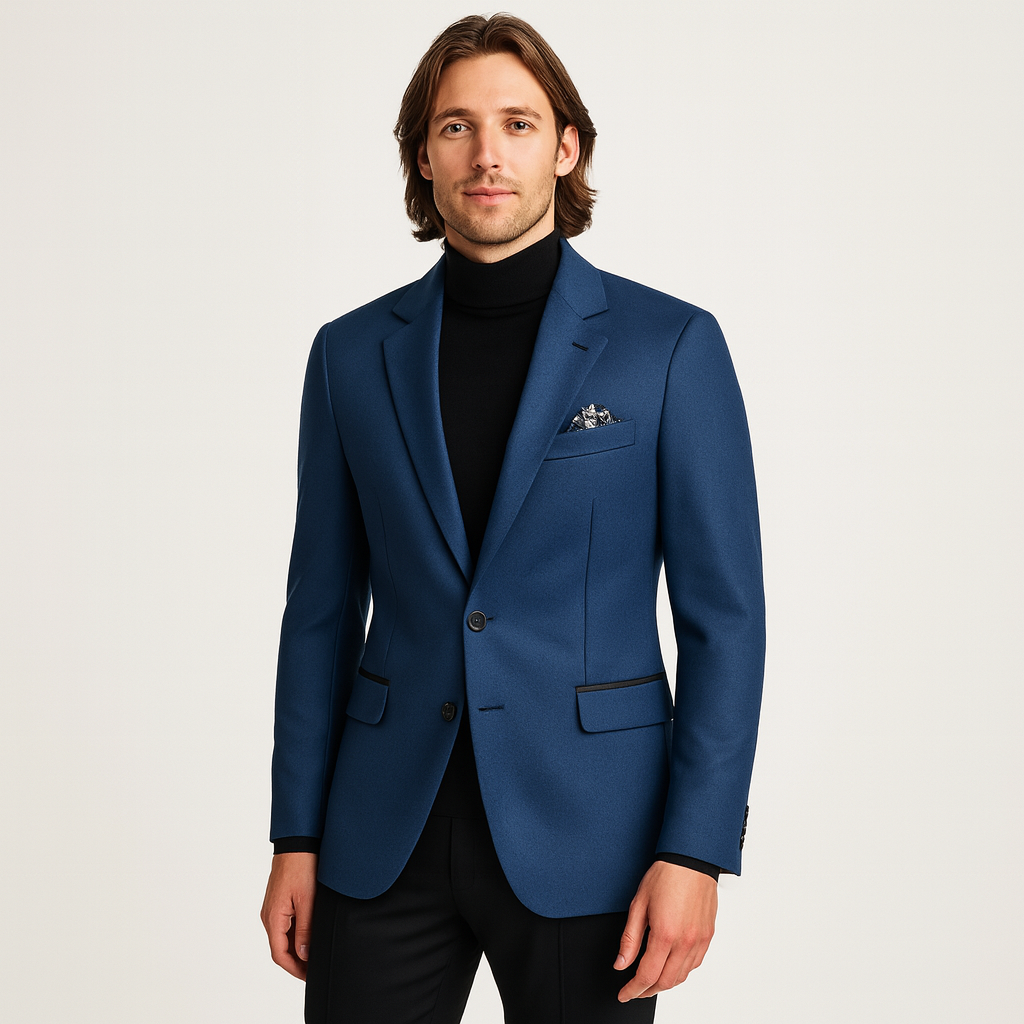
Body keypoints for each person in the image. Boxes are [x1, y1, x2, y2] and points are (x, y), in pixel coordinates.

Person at [260, 13, 765, 1024]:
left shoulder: (669, 347)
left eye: (518, 124)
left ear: (566, 147)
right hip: (382, 832)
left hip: (598, 837)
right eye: (456, 126)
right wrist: (296, 835)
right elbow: (318, 613)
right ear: (423, 155)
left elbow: (725, 619)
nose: (486, 153)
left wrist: (696, 849)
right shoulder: (349, 355)